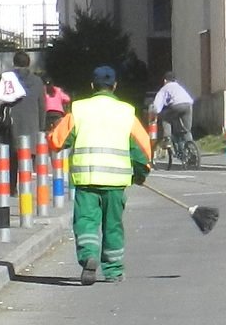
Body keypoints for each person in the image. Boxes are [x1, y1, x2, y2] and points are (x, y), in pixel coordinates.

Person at [46, 64, 153, 285]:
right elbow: (142, 149)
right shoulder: (127, 112)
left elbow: (56, 141)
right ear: (114, 86)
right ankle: (113, 271)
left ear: (92, 85)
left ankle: (89, 256)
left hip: (87, 180)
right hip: (116, 183)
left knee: (86, 221)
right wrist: (141, 172)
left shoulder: (79, 110)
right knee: (113, 226)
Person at [0, 49, 46, 148]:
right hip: (32, 129)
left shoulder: (7, 78)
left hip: (12, 128)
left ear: (14, 63)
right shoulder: (37, 81)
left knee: (14, 160)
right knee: (30, 160)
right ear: (28, 63)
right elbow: (42, 106)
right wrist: (41, 127)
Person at [149, 70, 197, 166]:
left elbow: (157, 106)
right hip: (188, 105)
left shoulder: (165, 88)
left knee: (165, 118)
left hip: (176, 105)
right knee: (186, 130)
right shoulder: (179, 87)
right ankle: (192, 153)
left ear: (165, 80)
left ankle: (167, 139)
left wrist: (154, 114)